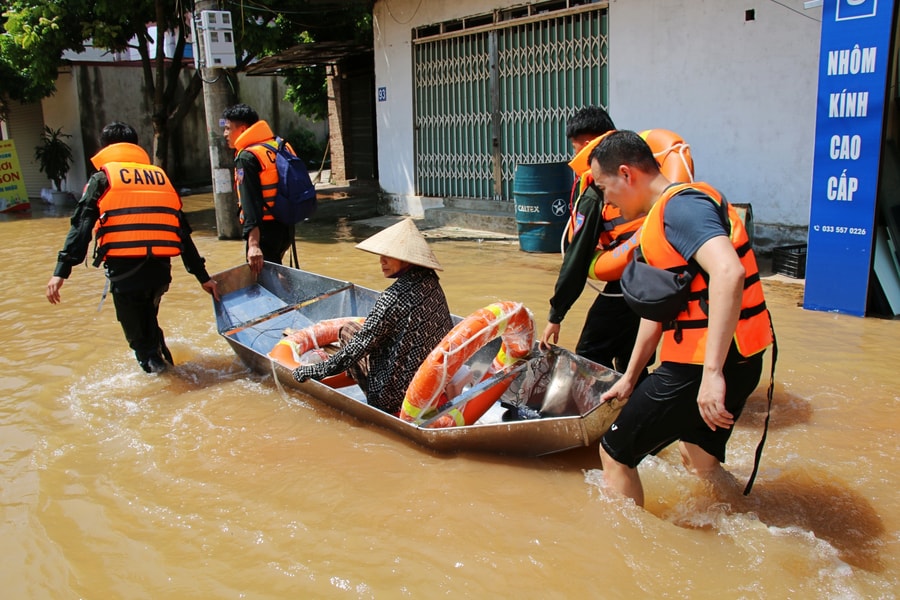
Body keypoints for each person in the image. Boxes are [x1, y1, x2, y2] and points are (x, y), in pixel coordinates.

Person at [590, 130, 774, 508]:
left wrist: (712, 374)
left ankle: (625, 545)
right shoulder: (664, 216)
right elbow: (658, 311)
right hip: (737, 359)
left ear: (626, 174)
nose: (605, 202)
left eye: (603, 188)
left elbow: (729, 272)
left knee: (614, 452)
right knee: (698, 458)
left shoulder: (681, 208)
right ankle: (740, 520)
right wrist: (630, 377)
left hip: (702, 366)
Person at [45, 121, 219, 373]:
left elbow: (81, 226)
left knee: (141, 343)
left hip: (126, 276)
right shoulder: (160, 179)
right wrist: (203, 277)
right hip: (159, 274)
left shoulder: (102, 179)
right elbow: (182, 232)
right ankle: (168, 368)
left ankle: (168, 384)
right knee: (149, 325)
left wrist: (61, 271)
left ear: (105, 147)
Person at [292, 218, 454, 414]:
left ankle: (362, 387)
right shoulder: (433, 284)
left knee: (347, 331)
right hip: (430, 385)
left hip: (391, 397)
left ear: (407, 259)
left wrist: (316, 370)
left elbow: (356, 348)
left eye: (389, 256)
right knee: (365, 334)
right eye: (381, 255)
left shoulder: (393, 297)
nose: (382, 261)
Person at [538, 107, 646, 376]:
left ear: (587, 145)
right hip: (653, 277)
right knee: (631, 357)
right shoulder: (638, 172)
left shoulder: (597, 191)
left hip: (628, 282)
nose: (574, 156)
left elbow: (577, 258)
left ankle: (598, 404)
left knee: (590, 352)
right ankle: (635, 398)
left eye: (575, 149)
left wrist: (556, 315)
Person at [222, 103, 294, 274]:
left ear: (242, 129)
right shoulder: (279, 145)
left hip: (264, 230)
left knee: (265, 279)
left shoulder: (247, 157)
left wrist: (253, 244)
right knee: (276, 272)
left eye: (228, 128)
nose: (225, 134)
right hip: (286, 226)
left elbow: (250, 203)